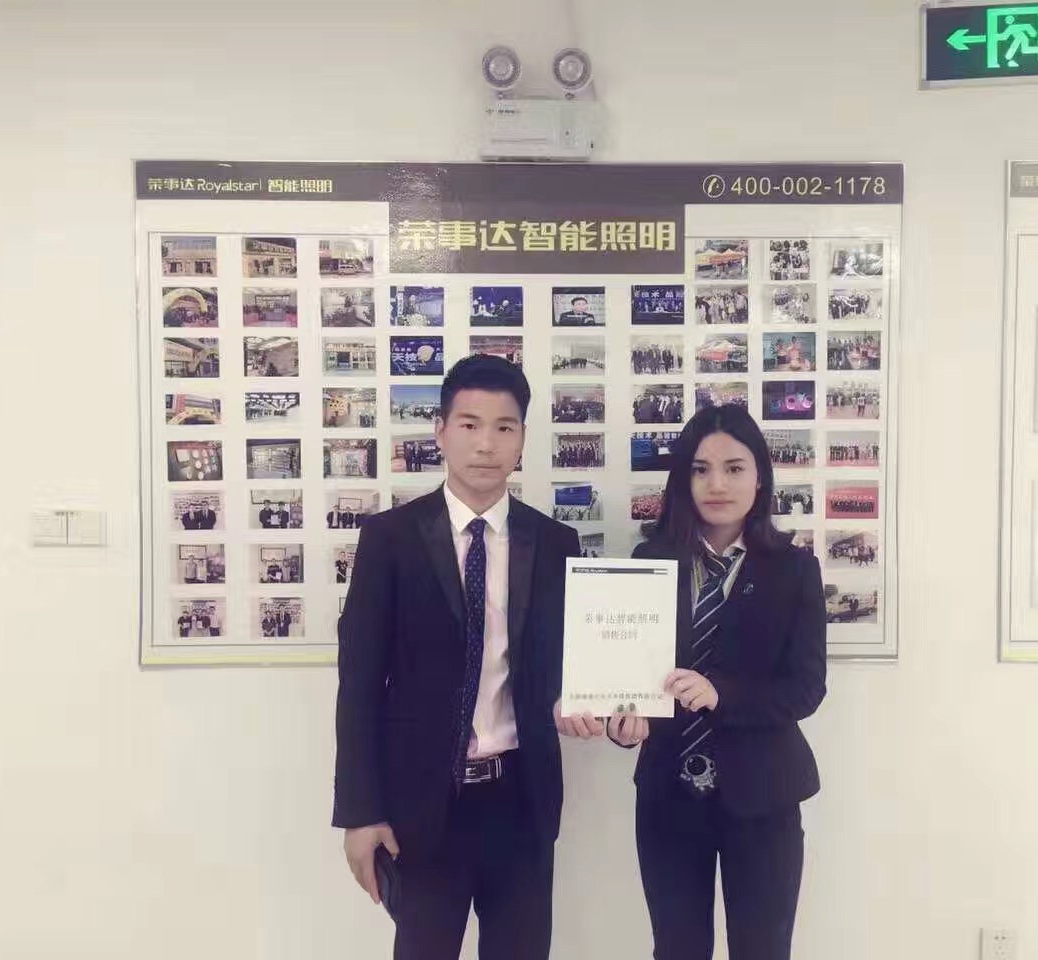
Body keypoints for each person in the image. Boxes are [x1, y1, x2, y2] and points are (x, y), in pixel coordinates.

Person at [334, 354, 602, 960]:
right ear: (441, 431)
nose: (486, 443)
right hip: (424, 805)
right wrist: (360, 812)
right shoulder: (390, 540)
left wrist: (603, 706)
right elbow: (359, 685)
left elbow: (566, 665)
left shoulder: (555, 543)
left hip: (520, 800)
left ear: (523, 438)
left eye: (504, 427)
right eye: (470, 424)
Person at [607, 404, 828, 960]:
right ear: (683, 480)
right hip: (668, 798)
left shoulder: (795, 569)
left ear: (760, 477)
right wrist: (622, 723)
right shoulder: (649, 560)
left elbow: (806, 688)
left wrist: (721, 693)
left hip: (763, 797)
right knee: (676, 949)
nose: (717, 484)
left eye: (734, 468)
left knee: (763, 949)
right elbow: (626, 676)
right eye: (701, 469)